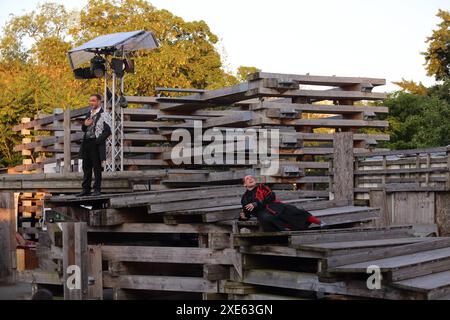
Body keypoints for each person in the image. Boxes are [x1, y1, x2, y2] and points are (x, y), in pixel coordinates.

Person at [239, 175, 325, 232]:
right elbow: (246, 211)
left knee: (294, 211)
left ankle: (320, 222)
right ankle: (284, 231)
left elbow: (271, 196)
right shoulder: (245, 197)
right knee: (267, 218)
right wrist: (244, 217)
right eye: (247, 179)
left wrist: (256, 204)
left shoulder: (262, 187)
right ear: (244, 184)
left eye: (251, 178)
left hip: (274, 206)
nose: (250, 179)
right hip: (262, 212)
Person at [76, 94, 112, 197]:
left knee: (96, 167)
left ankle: (97, 189)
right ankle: (86, 189)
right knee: (86, 167)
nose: (91, 103)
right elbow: (84, 129)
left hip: (96, 143)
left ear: (99, 101)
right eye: (90, 101)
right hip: (86, 142)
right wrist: (84, 125)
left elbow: (108, 131)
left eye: (94, 100)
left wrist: (97, 141)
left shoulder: (105, 114)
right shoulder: (89, 113)